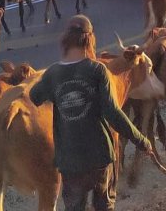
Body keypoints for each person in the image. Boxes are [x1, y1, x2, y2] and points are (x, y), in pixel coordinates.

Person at [29, 15, 153, 211]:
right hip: (100, 157)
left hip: (70, 162)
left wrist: (58, 91)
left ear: (66, 40)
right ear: (90, 39)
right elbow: (113, 113)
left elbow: (35, 96)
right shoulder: (97, 70)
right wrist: (141, 140)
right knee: (104, 206)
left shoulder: (53, 73)